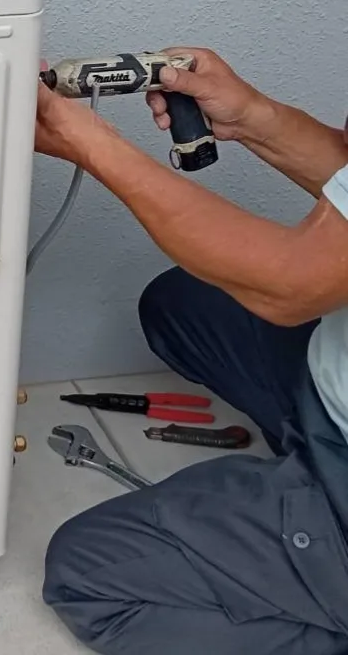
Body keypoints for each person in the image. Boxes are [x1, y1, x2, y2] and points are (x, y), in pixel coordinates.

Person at [36, 47, 348, 654]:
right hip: (331, 381)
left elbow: (290, 285)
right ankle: (301, 466)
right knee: (180, 307)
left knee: (86, 576)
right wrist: (252, 116)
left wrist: (85, 141)